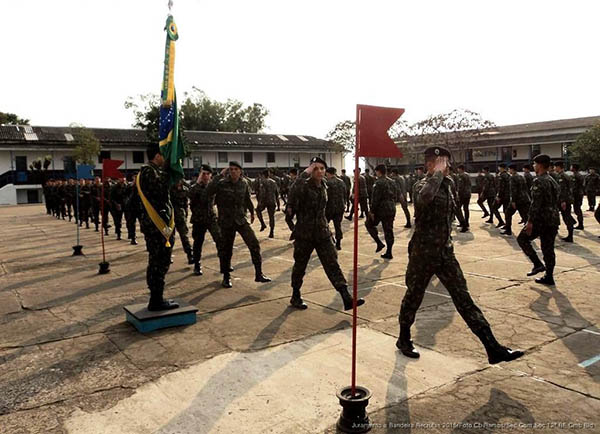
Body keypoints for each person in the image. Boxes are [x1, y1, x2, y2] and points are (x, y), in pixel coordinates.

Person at [397, 146, 523, 364]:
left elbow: (450, 213)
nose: (446, 166)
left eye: (446, 162)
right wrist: (436, 174)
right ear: (429, 164)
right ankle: (404, 338)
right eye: (440, 162)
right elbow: (425, 199)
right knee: (414, 296)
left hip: (445, 252)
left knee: (463, 298)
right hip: (422, 253)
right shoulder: (420, 185)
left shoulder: (450, 184)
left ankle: (492, 348)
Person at [287, 157, 365, 310]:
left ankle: (346, 297)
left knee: (332, 264)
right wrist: (305, 172)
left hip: (322, 232)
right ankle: (295, 295)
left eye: (322, 168)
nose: (319, 171)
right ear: (310, 170)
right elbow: (294, 190)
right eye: (316, 168)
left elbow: (324, 209)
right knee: (300, 266)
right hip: (305, 234)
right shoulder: (303, 185)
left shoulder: (325, 186)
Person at [208, 161, 271, 288]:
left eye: (236, 169)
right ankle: (226, 277)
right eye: (231, 169)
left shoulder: (244, 183)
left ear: (240, 171)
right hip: (226, 222)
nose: (233, 171)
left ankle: (259, 274)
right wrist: (219, 176)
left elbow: (247, 199)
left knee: (254, 244)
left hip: (241, 220)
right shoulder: (221, 183)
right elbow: (208, 192)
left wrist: (252, 213)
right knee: (227, 250)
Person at [137, 144, 179, 311]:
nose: (165, 159)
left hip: (156, 224)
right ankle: (156, 300)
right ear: (157, 156)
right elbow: (160, 188)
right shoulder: (148, 171)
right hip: (156, 226)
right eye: (164, 155)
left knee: (160, 260)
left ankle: (157, 297)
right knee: (158, 261)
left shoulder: (148, 171)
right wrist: (169, 168)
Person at [517, 154, 559, 286]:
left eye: (535, 164)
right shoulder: (552, 180)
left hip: (541, 220)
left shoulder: (539, 181)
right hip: (553, 219)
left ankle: (537, 264)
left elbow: (536, 204)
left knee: (522, 239)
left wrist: (530, 221)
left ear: (540, 165)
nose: (534, 166)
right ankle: (549, 276)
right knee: (548, 249)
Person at [188, 164, 225, 276]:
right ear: (200, 175)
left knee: (219, 240)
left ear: (210, 176)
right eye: (203, 174)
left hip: (211, 218)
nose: (205, 176)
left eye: (208, 174)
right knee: (198, 243)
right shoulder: (194, 187)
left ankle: (224, 265)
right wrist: (198, 183)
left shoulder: (213, 187)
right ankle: (197, 265)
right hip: (199, 219)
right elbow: (191, 195)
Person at [366, 164, 397, 259]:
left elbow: (375, 199)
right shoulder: (392, 182)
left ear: (378, 171)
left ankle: (379, 243)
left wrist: (372, 211)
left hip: (381, 209)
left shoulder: (378, 183)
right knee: (389, 230)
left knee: (369, 224)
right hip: (391, 208)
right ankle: (389, 251)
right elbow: (396, 194)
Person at [501, 164, 530, 236]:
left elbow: (513, 190)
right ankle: (530, 230)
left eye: (509, 169)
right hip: (524, 198)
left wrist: (513, 201)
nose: (509, 171)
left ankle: (508, 230)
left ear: (512, 169)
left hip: (517, 199)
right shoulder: (521, 176)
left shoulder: (513, 178)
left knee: (508, 213)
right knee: (525, 215)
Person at [170, 179, 194, 264]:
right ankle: (167, 255)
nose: (178, 182)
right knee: (169, 238)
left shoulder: (185, 189)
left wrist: (185, 215)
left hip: (180, 217)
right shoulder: (169, 189)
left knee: (184, 236)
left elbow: (185, 204)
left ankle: (190, 255)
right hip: (170, 218)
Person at [325, 167, 347, 250]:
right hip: (340, 207)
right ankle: (338, 244)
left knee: (325, 225)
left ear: (328, 173)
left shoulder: (327, 183)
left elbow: (325, 197)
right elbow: (345, 194)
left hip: (329, 208)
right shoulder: (341, 182)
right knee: (338, 226)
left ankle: (330, 239)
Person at [555, 161, 576, 243]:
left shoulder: (562, 176)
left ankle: (570, 236)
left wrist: (563, 201)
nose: (554, 168)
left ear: (559, 167)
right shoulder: (563, 175)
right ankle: (572, 223)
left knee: (566, 217)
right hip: (564, 200)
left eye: (555, 167)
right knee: (566, 216)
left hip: (564, 200)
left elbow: (562, 190)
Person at [256, 169, 280, 238]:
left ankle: (263, 224)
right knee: (271, 217)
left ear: (263, 175)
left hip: (265, 201)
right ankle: (271, 232)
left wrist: (260, 202)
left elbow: (262, 193)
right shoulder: (274, 182)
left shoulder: (262, 182)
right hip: (272, 201)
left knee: (258, 211)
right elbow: (277, 193)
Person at [492, 164, 509, 228]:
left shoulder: (501, 175)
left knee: (494, 208)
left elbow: (501, 187)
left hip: (502, 196)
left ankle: (501, 221)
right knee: (506, 211)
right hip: (507, 196)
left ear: (501, 168)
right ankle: (507, 225)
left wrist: (498, 196)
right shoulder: (508, 175)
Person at [456, 165, 472, 231]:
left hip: (463, 194)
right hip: (468, 194)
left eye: (458, 169)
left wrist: (458, 195)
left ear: (460, 169)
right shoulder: (467, 175)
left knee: (457, 209)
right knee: (466, 209)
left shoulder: (461, 176)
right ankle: (466, 222)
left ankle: (463, 224)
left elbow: (461, 187)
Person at [570, 164, 585, 230]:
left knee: (577, 209)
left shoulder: (577, 175)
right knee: (576, 210)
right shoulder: (575, 175)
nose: (570, 167)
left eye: (571, 166)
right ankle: (580, 223)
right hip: (576, 194)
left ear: (574, 168)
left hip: (577, 195)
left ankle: (581, 224)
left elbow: (578, 186)